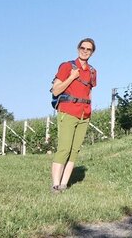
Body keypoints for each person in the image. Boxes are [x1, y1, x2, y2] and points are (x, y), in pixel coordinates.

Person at [50, 38, 97, 193]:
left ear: (92, 52)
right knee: (64, 148)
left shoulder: (92, 72)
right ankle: (55, 185)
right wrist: (71, 77)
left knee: (75, 150)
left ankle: (64, 184)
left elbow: (89, 92)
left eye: (88, 49)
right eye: (82, 48)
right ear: (78, 49)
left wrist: (89, 110)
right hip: (68, 110)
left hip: (84, 114)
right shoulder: (67, 66)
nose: (85, 51)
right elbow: (55, 90)